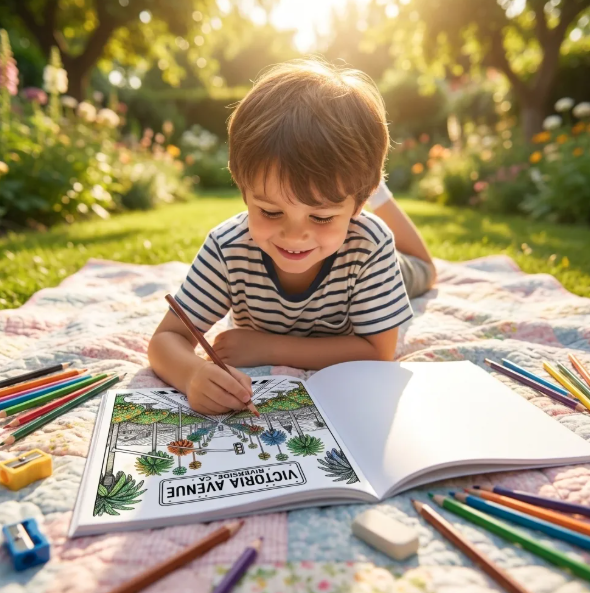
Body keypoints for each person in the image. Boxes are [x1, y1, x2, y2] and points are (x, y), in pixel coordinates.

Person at [148, 59, 436, 415]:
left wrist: (268, 347)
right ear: (243, 192)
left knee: (425, 269)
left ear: (355, 206)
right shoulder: (227, 248)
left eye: (321, 215)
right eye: (270, 211)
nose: (295, 235)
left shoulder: (370, 245)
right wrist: (192, 373)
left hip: (390, 272)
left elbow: (379, 351)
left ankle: (379, 195)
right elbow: (166, 339)